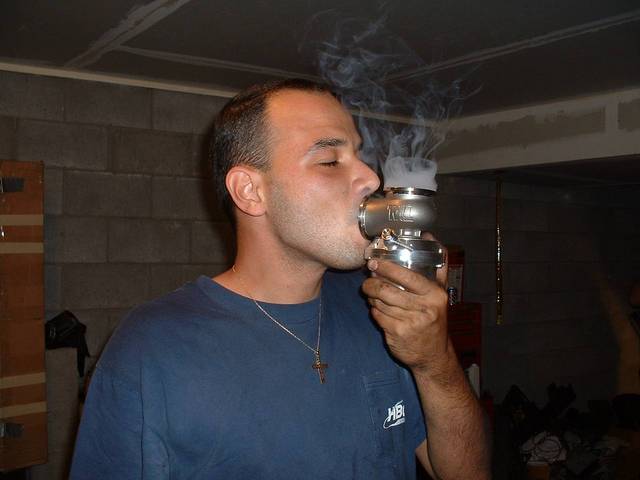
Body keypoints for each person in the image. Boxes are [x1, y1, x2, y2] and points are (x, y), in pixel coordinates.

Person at [70, 79, 490, 479]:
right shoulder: (151, 348)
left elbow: (467, 473)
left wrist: (435, 362)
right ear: (250, 191)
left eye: (359, 156)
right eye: (330, 161)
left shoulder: (380, 307)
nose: (371, 179)